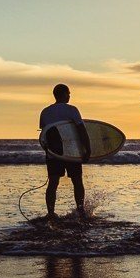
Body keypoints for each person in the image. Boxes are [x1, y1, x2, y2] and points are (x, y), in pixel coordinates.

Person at [39, 83, 91, 221]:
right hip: (71, 151)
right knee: (77, 181)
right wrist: (87, 149)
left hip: (54, 152)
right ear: (63, 94)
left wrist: (48, 151)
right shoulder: (72, 110)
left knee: (53, 182)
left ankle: (51, 213)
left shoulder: (45, 112)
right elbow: (82, 130)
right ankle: (80, 210)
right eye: (68, 93)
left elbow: (44, 134)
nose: (69, 95)